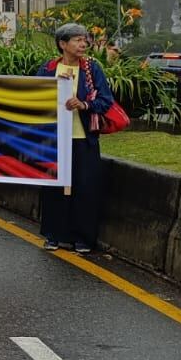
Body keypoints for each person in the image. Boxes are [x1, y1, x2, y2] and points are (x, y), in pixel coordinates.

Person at [36, 22, 114, 255]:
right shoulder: (49, 69)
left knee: (85, 187)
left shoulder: (92, 68)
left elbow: (106, 100)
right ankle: (53, 235)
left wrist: (84, 104)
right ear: (63, 44)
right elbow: (35, 96)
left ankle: (83, 238)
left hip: (83, 139)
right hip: (54, 140)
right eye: (77, 40)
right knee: (52, 188)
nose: (83, 44)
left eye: (85, 39)